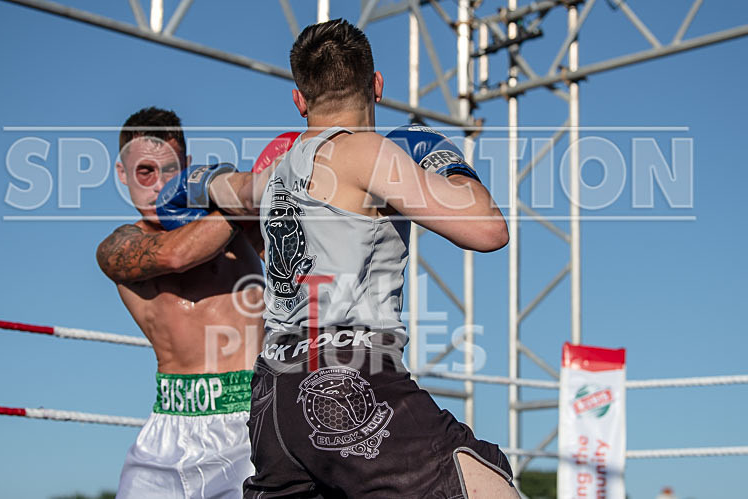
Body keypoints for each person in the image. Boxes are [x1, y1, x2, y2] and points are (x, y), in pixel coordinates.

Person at [206, 20, 519, 498]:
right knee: (483, 485)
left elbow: (225, 189)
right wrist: (440, 158)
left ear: (300, 98)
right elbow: (487, 228)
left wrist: (197, 180)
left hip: (273, 401)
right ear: (376, 85)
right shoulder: (366, 150)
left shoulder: (269, 178)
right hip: (351, 374)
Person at [96, 107, 266, 498]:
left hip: (248, 427)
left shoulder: (240, 229)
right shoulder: (117, 248)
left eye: (170, 171)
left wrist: (231, 191)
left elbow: (297, 261)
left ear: (187, 167)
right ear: (123, 174)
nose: (158, 185)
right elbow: (175, 255)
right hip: (165, 433)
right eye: (145, 172)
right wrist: (235, 199)